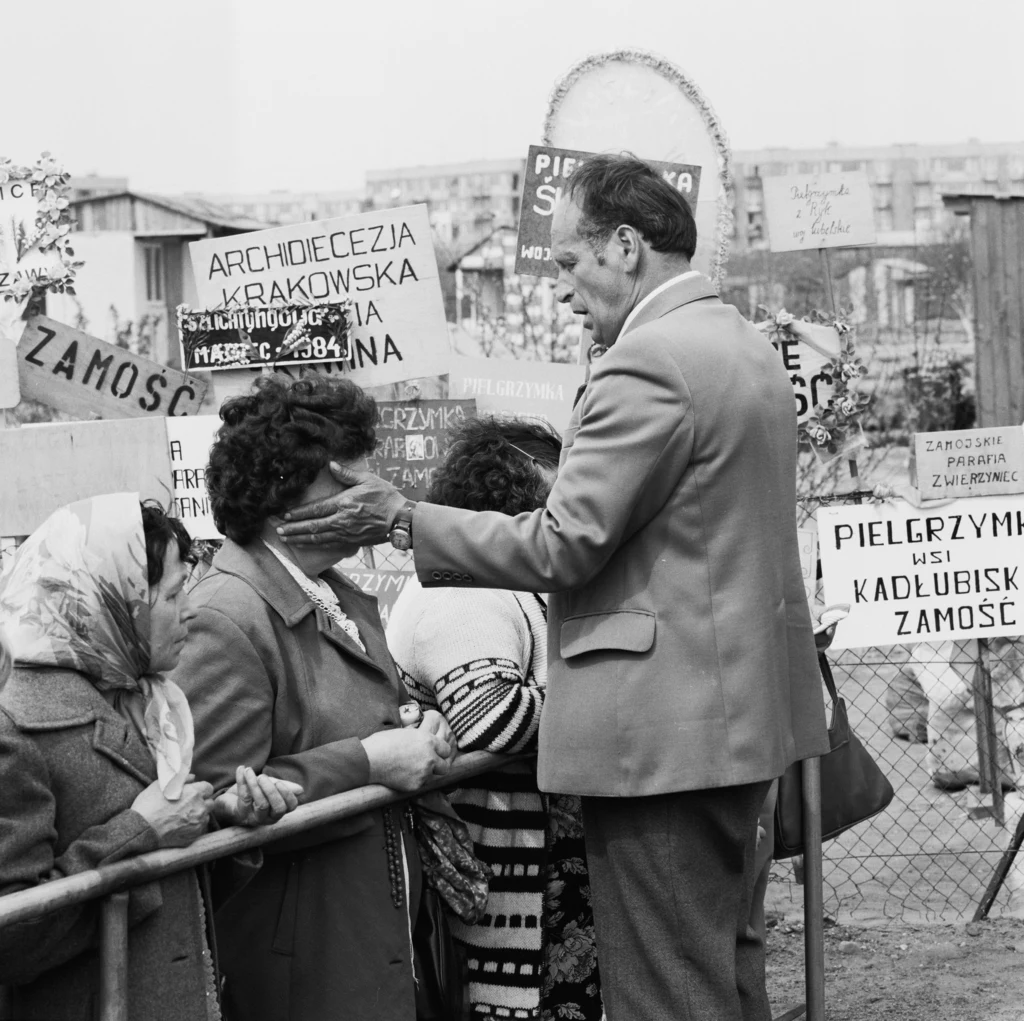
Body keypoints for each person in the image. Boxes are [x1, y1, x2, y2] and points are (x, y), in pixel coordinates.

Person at [276, 153, 831, 1020]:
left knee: (665, 992)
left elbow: (564, 540)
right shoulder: (742, 345)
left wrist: (401, 518)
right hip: (735, 723)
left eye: (568, 263)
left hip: (662, 744)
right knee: (724, 970)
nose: (565, 290)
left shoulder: (646, 362)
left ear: (624, 246)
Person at [169, 375, 457, 1021]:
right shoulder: (226, 614)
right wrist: (369, 763)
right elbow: (206, 801)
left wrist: (415, 730)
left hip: (368, 933)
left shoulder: (339, 592)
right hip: (300, 959)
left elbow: (358, 720)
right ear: (286, 494)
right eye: (347, 476)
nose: (372, 490)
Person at [0, 494, 299, 1021]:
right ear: (115, 602)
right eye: (172, 594)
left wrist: (221, 822)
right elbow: (15, 938)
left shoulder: (148, 703)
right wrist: (143, 831)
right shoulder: (17, 729)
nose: (190, 610)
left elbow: (175, 886)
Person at [387, 416, 602, 1021]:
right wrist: (608, 693)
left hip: (534, 870)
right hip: (506, 876)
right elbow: (494, 719)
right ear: (519, 493)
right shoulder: (462, 593)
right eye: (558, 494)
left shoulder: (500, 581)